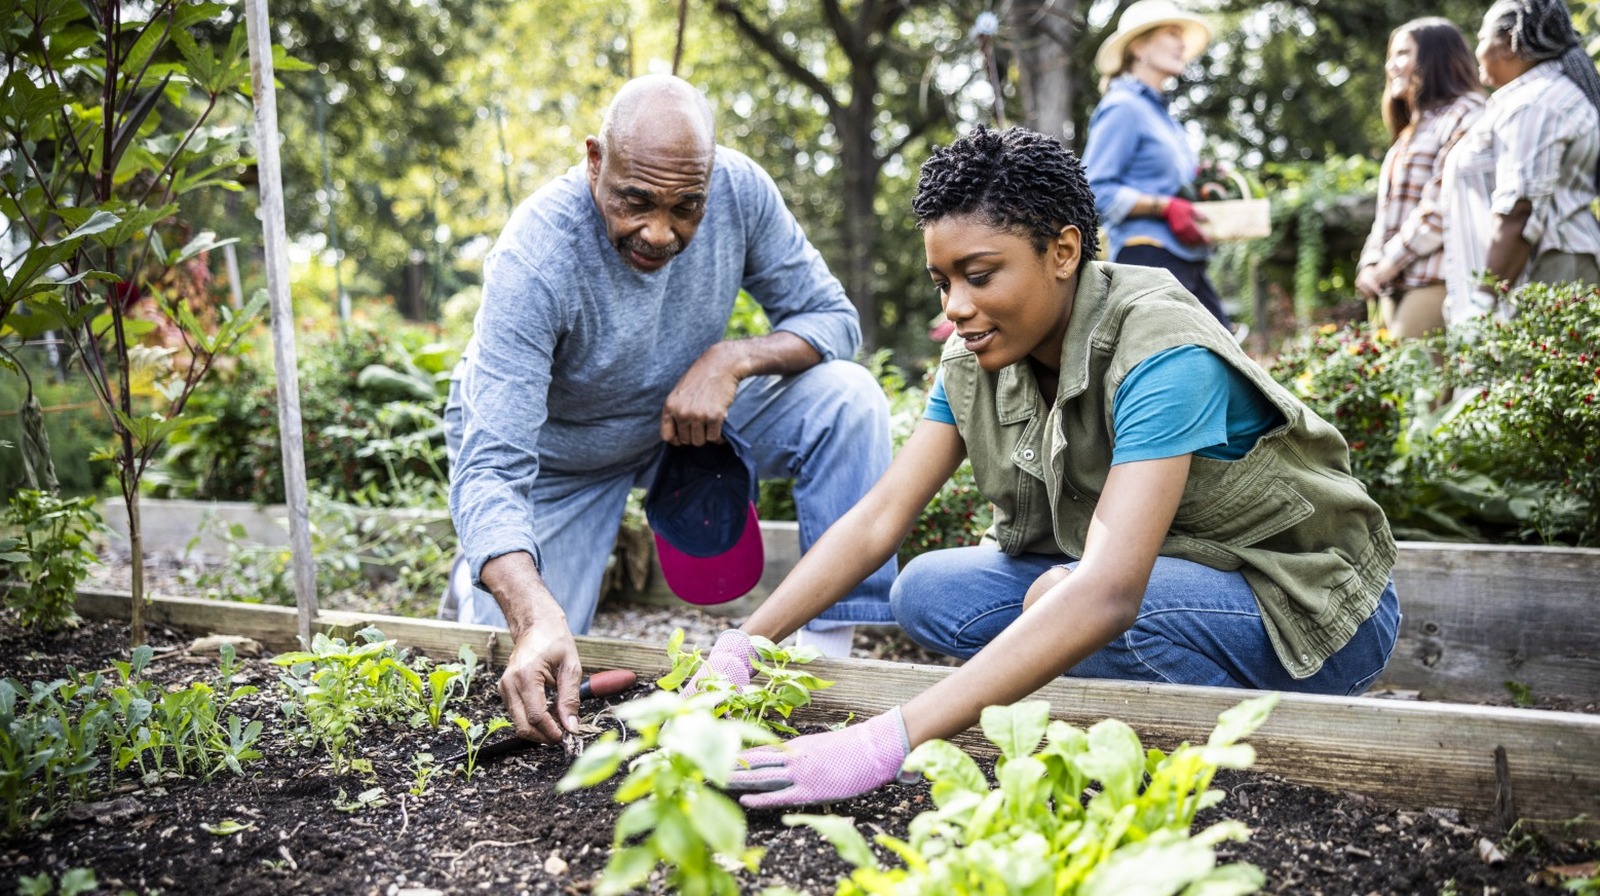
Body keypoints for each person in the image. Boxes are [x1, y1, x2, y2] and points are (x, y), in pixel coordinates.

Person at [695, 125, 1401, 811]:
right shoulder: (978, 357)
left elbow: (1108, 594)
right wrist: (744, 643)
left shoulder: (1161, 347)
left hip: (1307, 609)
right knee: (927, 591)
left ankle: (1249, 751)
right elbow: (881, 517)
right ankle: (1110, 704)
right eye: (942, 281)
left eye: (979, 276)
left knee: (1070, 601)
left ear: (1063, 251)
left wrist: (887, 739)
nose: (956, 308)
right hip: (1168, 578)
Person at [446, 74, 896, 744]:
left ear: (711, 180)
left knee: (849, 398)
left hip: (685, 427)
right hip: (561, 458)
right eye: (636, 202)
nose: (659, 232)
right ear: (595, 161)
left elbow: (832, 319)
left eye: (687, 206)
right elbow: (489, 469)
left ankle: (827, 664)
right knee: (508, 679)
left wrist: (731, 359)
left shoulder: (740, 191)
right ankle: (476, 594)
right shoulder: (535, 257)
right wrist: (531, 610)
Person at [1440, 0, 1600, 325]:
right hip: (1543, 271)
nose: (1477, 49)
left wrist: (1482, 302)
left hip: (1547, 273)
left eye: (1482, 38)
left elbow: (1519, 209)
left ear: (1510, 42)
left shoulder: (1535, 104)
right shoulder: (1545, 95)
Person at [1081, 0, 1230, 330]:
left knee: (1227, 358)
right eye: (1172, 33)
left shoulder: (1163, 117)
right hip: (1147, 261)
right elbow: (1093, 191)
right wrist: (1163, 207)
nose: (1182, 44)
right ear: (1139, 46)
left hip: (1186, 260)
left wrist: (1201, 188)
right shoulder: (1123, 107)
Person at [1354, 19, 1486, 339]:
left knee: (1419, 388)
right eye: (1391, 56)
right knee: (1398, 385)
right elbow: (1387, 215)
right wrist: (1370, 264)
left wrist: (1388, 264)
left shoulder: (1466, 114)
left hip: (1436, 279)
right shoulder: (1411, 131)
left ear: (1435, 57)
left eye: (1402, 54)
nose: (1391, 66)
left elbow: (1441, 205)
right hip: (1394, 283)